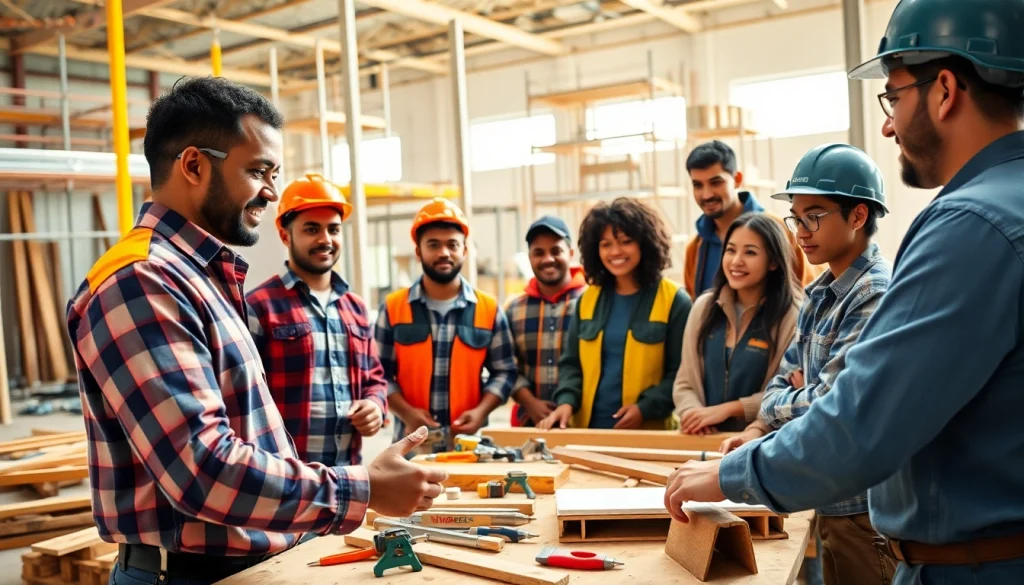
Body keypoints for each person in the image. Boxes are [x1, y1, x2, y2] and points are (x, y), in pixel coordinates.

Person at [664, 1, 1024, 583]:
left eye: (894, 96)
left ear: (946, 90)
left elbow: (862, 424)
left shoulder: (971, 226)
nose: (887, 124)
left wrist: (730, 476)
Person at [65, 77, 446, 585]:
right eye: (259, 171)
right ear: (195, 165)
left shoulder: (200, 277)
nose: (270, 191)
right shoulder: (140, 281)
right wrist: (363, 489)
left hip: (257, 554)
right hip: (188, 575)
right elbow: (201, 470)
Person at [721, 143, 894, 585]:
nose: (801, 230)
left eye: (814, 215)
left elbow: (830, 403)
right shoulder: (821, 292)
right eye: (796, 217)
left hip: (865, 513)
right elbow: (781, 381)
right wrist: (762, 424)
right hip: (829, 500)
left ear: (858, 216)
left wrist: (788, 400)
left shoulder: (873, 295)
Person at [247, 174, 386, 469]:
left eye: (333, 229)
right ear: (286, 236)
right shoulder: (259, 306)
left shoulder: (356, 308)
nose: (325, 239)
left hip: (348, 472)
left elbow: (374, 377)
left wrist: (375, 404)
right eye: (312, 229)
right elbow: (246, 396)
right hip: (286, 475)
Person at [374, 198, 516, 452]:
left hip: (470, 448)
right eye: (433, 245)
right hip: (409, 449)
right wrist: (407, 414)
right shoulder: (393, 308)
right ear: (418, 251)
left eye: (452, 244)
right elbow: (378, 372)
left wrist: (481, 411)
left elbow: (505, 371)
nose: (443, 253)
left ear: (465, 249)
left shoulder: (489, 309)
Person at [538, 198, 692, 430]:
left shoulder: (675, 301)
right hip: (587, 432)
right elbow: (571, 364)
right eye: (605, 244)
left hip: (648, 433)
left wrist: (645, 408)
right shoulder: (587, 300)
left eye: (625, 241)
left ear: (645, 243)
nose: (615, 252)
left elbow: (682, 373)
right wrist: (566, 402)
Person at [672, 213, 800, 436]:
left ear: (773, 262)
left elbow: (787, 394)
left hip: (760, 444)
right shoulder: (703, 307)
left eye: (750, 252)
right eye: (730, 250)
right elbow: (684, 383)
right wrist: (695, 415)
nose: (736, 261)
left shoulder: (792, 316)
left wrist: (727, 411)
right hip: (701, 441)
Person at [684, 140, 819, 299]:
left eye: (716, 182)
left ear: (737, 179)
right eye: (698, 185)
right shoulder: (696, 247)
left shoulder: (780, 230)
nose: (707, 194)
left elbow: (807, 294)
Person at [504, 215, 588, 427]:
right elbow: (506, 366)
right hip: (529, 423)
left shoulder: (591, 303)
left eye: (556, 251)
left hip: (583, 422)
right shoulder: (515, 310)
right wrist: (530, 403)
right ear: (529, 257)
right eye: (538, 252)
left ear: (570, 254)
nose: (548, 259)